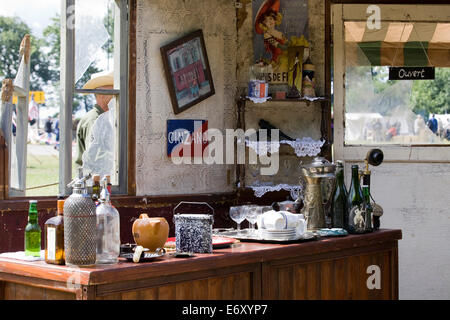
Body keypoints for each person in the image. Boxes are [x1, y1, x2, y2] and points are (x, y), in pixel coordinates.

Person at [76, 71, 114, 166]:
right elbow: (95, 155)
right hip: (94, 177)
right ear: (102, 95)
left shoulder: (104, 117)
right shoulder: (95, 119)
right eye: (113, 92)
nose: (116, 97)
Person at [255, 0, 288, 65]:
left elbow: (287, 44)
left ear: (274, 19)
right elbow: (281, 47)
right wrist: (289, 47)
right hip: (276, 62)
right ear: (263, 23)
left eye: (271, 18)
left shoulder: (279, 33)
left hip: (284, 59)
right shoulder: (266, 35)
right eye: (266, 21)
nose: (270, 22)